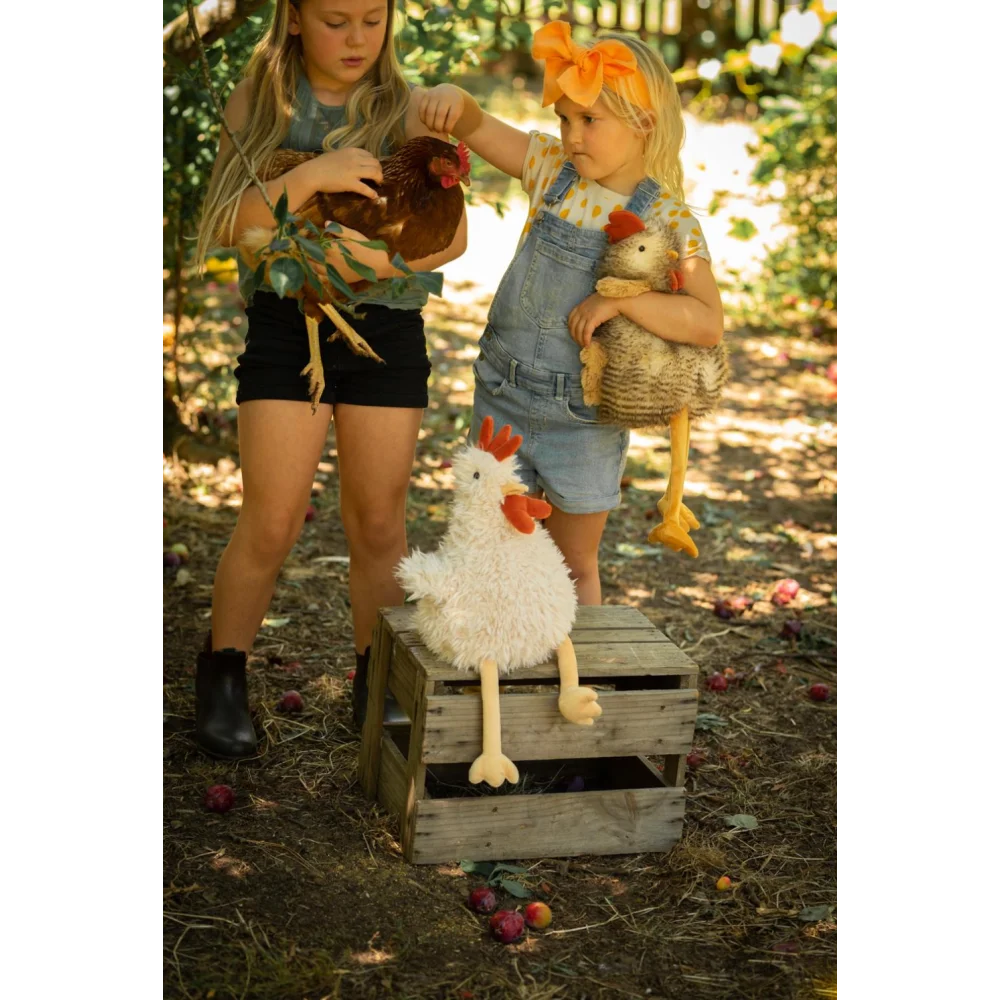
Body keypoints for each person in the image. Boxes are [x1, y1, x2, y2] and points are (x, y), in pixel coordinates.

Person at [191, 0, 467, 758]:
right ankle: (222, 676)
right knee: (272, 520)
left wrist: (380, 262)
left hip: (385, 330)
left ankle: (376, 684)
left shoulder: (407, 107)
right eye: (336, 20)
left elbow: (452, 235)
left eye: (371, 21)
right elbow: (230, 223)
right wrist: (316, 171)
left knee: (379, 523)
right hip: (289, 327)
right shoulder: (262, 101)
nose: (356, 39)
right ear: (293, 20)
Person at [416, 20, 724, 607]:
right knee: (489, 550)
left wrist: (619, 297)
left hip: (584, 421)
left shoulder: (669, 221)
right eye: (564, 118)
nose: (571, 135)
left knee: (573, 564)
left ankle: (573, 680)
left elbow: (707, 321)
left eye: (588, 120)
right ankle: (493, 674)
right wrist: (458, 104)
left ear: (644, 126)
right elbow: (481, 127)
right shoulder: (550, 170)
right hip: (501, 396)